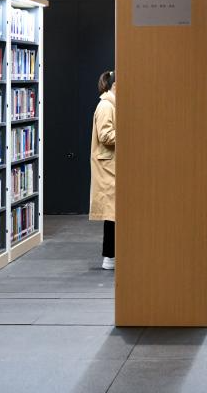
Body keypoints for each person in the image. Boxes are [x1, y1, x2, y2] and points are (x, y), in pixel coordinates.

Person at [90, 70, 117, 270]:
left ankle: (112, 256)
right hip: (108, 167)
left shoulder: (111, 104)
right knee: (112, 213)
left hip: (112, 165)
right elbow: (105, 136)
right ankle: (109, 257)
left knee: (114, 212)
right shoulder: (106, 106)